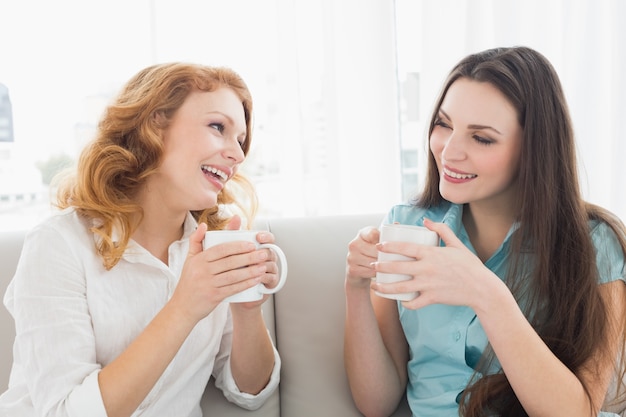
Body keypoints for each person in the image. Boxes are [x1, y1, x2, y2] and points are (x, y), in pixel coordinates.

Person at [344, 46, 626, 417]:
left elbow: (577, 412)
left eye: (482, 138)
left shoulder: (594, 245)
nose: (448, 152)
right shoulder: (406, 227)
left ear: (534, 150)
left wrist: (487, 294)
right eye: (444, 124)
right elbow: (375, 403)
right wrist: (356, 287)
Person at [0, 63, 281, 417]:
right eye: (217, 127)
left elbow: (250, 392)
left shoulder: (213, 244)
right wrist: (184, 306)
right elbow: (65, 412)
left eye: (240, 141)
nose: (238, 155)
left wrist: (246, 310)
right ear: (154, 126)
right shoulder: (57, 245)